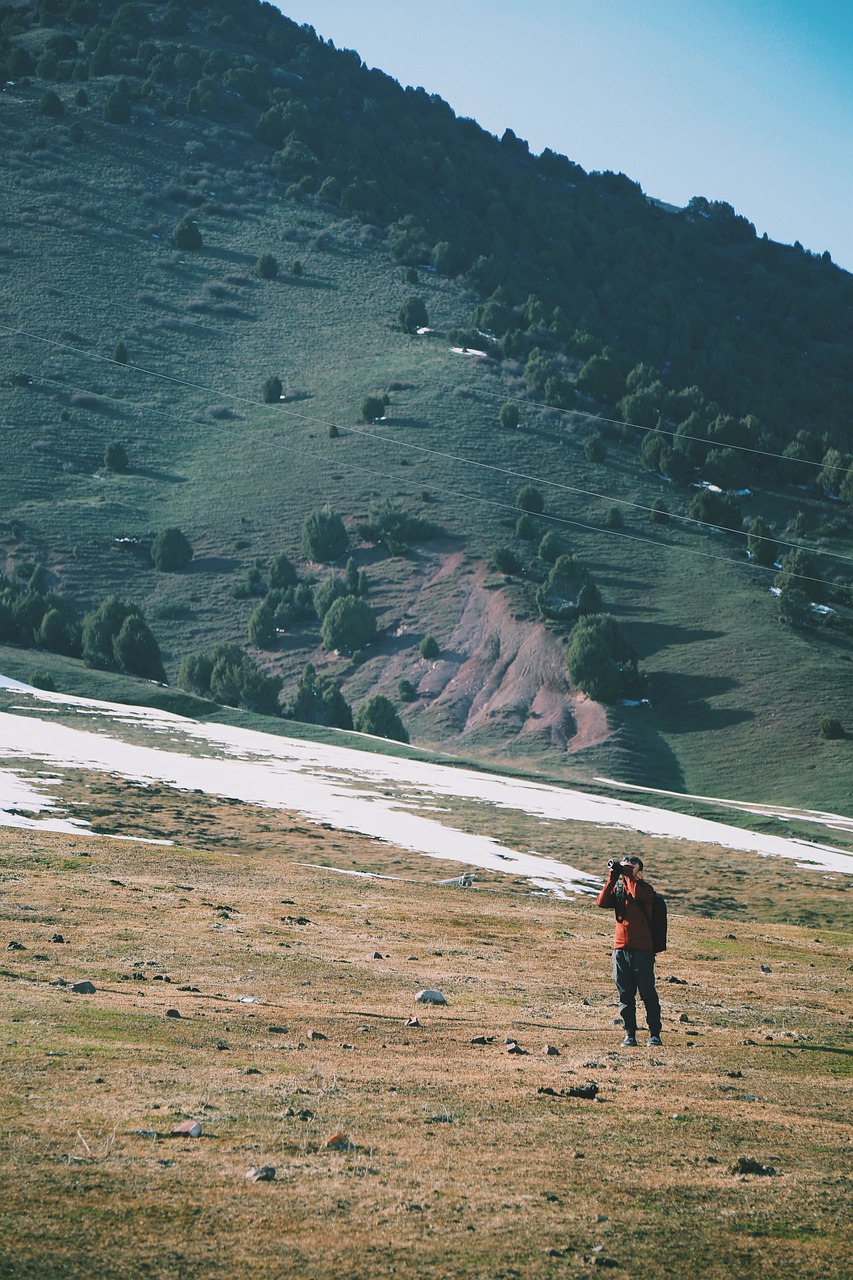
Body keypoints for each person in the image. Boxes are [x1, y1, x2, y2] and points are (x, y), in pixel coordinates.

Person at [596, 856, 662, 1047]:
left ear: (639, 872)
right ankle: (630, 1034)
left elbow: (637, 894)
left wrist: (629, 877)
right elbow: (601, 902)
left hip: (643, 952)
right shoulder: (619, 891)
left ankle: (654, 1034)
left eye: (631, 867)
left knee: (648, 994)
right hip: (620, 951)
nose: (626, 869)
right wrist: (613, 877)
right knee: (625, 995)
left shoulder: (646, 890)